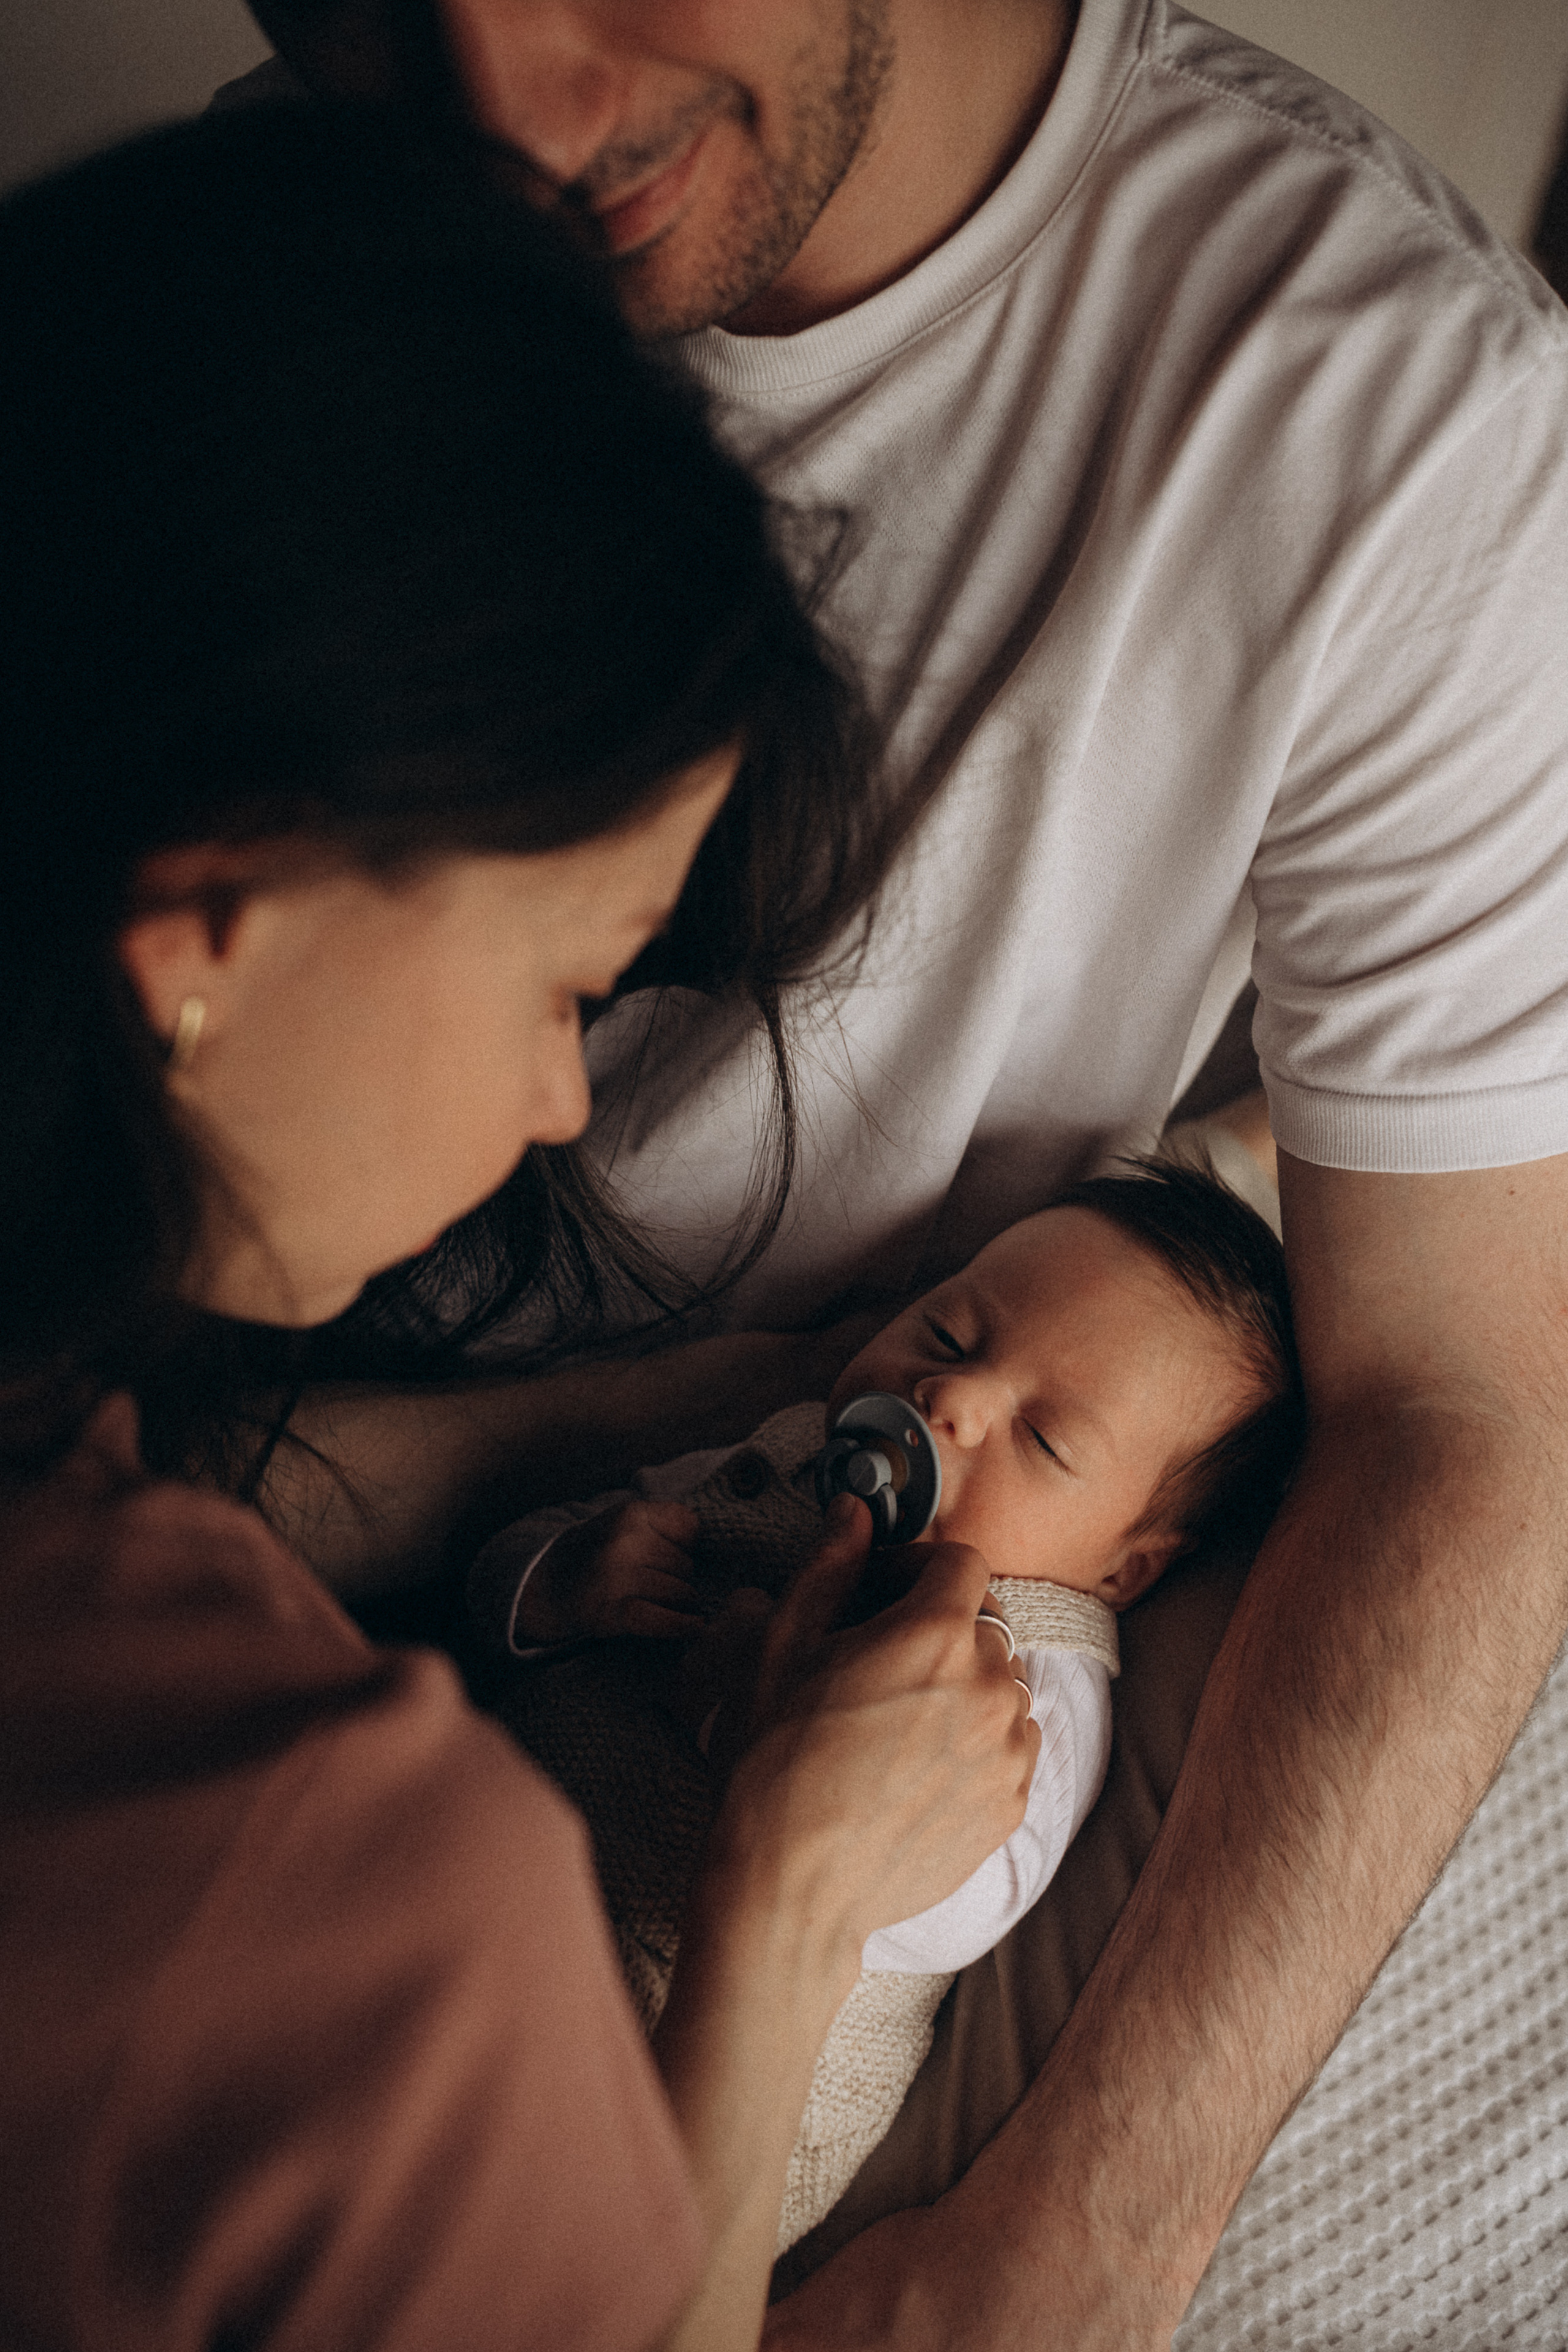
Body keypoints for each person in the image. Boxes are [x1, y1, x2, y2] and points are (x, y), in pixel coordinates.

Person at [218, 4, 1568, 2342]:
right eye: (348, 2)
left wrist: (1079, 2245)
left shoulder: (1394, 423)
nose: (496, 129)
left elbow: (1475, 1409)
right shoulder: (256, 273)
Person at [0, 108, 1041, 2352]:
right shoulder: (345, 1899)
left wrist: (668, 1410)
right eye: (568, 981)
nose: (565, 1097)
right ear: (209, 921)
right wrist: (782, 1907)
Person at [470, 1159, 1304, 2252]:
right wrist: (560, 1579)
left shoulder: (1030, 1682)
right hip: (475, 1873)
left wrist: (767, 1736)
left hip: (669, 2070)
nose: (950, 1401)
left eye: (1045, 1440)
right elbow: (482, 1589)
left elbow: (956, 1895)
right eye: (950, 1335)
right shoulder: (779, 1456)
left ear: (1126, 1570)